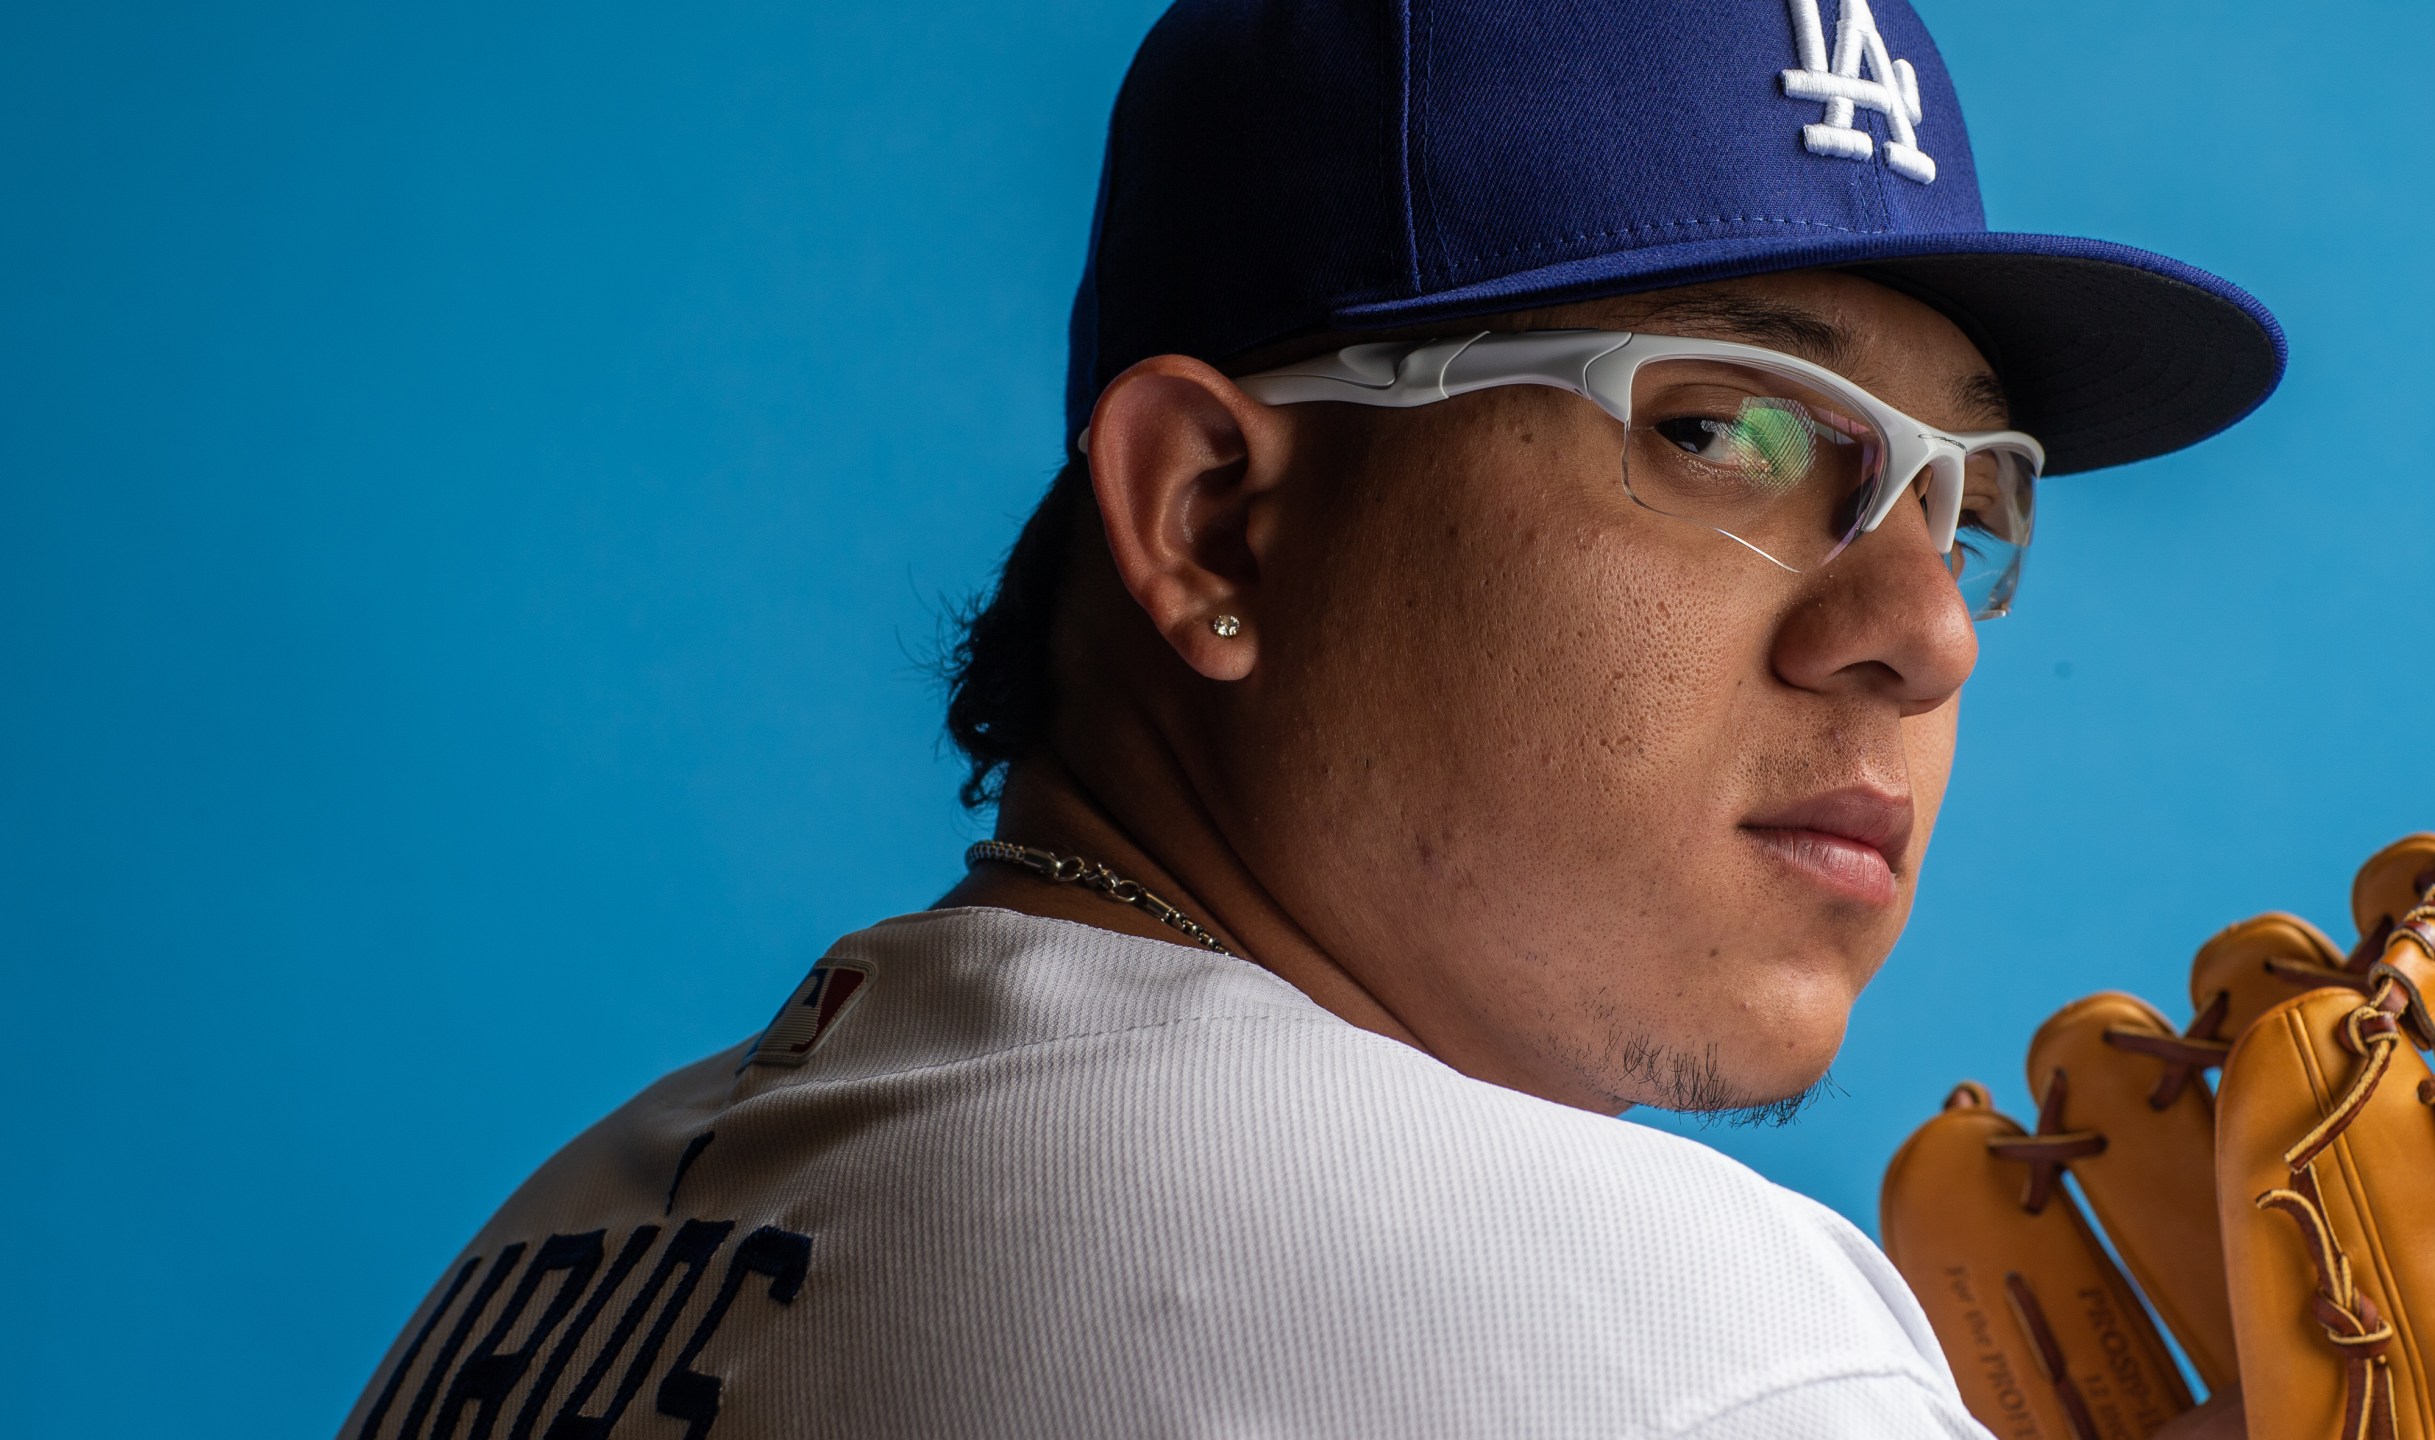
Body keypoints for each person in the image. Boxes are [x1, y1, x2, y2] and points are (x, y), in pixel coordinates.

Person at [339, 1, 2280, 1436]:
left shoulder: (553, 1248)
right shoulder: (1684, 1342)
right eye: (1720, 427)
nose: (1920, 626)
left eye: (1971, 499)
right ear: (1211, 516)